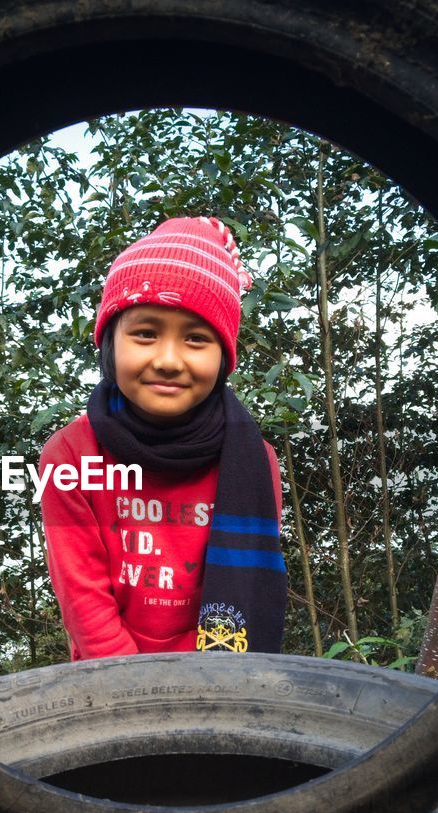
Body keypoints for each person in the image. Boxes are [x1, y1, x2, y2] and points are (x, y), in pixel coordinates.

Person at [38, 216, 288, 660]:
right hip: (113, 678)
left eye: (196, 338)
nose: (169, 360)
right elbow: (84, 600)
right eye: (145, 333)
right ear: (110, 344)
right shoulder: (70, 455)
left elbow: (250, 587)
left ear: (223, 356)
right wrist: (138, 693)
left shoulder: (254, 459)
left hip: (223, 671)